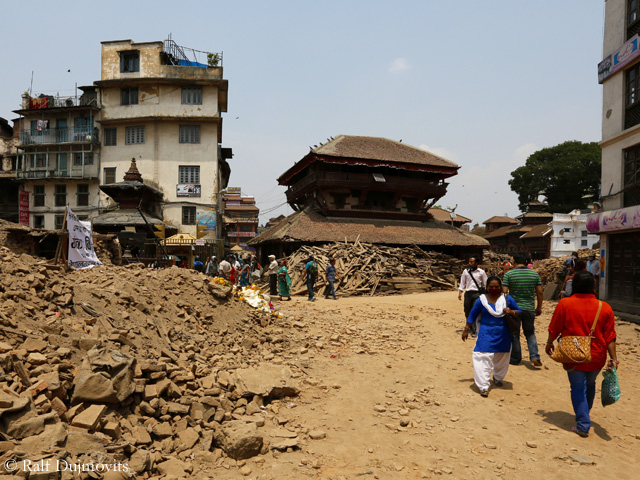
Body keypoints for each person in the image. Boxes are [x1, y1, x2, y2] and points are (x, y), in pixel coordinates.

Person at [545, 271, 618, 437]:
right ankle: (585, 411)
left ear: (575, 285)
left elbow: (554, 327)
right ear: (593, 286)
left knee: (578, 387)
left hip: (574, 354)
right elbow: (610, 336)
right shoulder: (604, 307)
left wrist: (549, 343)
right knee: (590, 384)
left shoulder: (565, 304)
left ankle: (583, 424)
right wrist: (614, 358)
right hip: (597, 355)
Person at [462, 276, 521, 397]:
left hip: (503, 334)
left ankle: (498, 377)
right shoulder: (481, 300)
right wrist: (466, 329)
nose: (494, 289)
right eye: (491, 287)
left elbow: (519, 311)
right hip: (486, 333)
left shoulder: (507, 299)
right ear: (487, 288)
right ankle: (483, 385)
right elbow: (472, 315)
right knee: (481, 356)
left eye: (496, 287)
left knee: (502, 357)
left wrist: (511, 312)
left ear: (500, 287)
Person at [502, 252, 543, 367]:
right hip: (529, 308)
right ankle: (534, 356)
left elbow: (505, 293)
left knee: (515, 334)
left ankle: (516, 359)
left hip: (514, 310)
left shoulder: (509, 275)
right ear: (526, 262)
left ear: (514, 261)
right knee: (530, 333)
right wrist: (539, 307)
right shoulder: (534, 275)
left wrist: (505, 308)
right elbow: (539, 292)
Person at [458, 256, 488, 335]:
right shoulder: (465, 271)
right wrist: (460, 292)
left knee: (475, 310)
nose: (469, 263)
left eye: (471, 262)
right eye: (469, 262)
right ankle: (470, 326)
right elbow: (462, 282)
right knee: (467, 310)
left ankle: (476, 330)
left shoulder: (481, 272)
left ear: (476, 263)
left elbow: (486, 282)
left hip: (477, 294)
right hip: (468, 293)